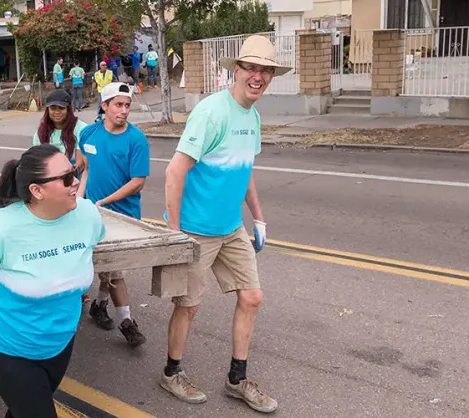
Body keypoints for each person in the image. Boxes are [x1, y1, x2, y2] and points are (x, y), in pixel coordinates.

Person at [159, 34, 288, 414]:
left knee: (252, 297)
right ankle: (171, 372)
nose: (258, 76)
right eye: (252, 68)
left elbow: (244, 170)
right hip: (196, 229)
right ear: (237, 69)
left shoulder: (253, 115)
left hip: (231, 228)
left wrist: (258, 217)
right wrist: (175, 234)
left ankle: (237, 379)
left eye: (266, 71)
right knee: (190, 306)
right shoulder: (212, 112)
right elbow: (174, 172)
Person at [0, 144, 104, 418]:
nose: (76, 182)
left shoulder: (88, 215)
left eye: (76, 172)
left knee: (22, 410)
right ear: (37, 190)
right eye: (66, 178)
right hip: (7, 347)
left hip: (60, 342)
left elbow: (81, 257)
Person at [74, 82, 149, 346]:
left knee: (114, 268)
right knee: (113, 270)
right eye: (118, 105)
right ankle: (126, 321)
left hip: (124, 215)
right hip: (95, 214)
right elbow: (85, 168)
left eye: (127, 105)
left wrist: (104, 201)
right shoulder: (88, 135)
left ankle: (100, 305)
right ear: (104, 106)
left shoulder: (136, 139)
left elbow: (137, 181)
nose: (124, 110)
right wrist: (79, 200)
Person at [33, 90, 89, 164]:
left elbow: (80, 164)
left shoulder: (81, 129)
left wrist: (66, 174)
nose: (57, 112)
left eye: (61, 108)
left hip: (75, 173)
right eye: (53, 108)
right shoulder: (40, 133)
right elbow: (37, 160)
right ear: (48, 110)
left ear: (68, 109)